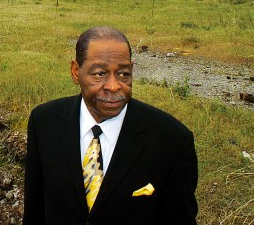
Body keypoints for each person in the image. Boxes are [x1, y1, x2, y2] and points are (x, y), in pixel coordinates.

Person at [23, 26, 198, 224]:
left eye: (123, 74)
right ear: (75, 72)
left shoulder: (172, 140)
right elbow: (34, 209)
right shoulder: (45, 122)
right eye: (100, 73)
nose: (114, 86)